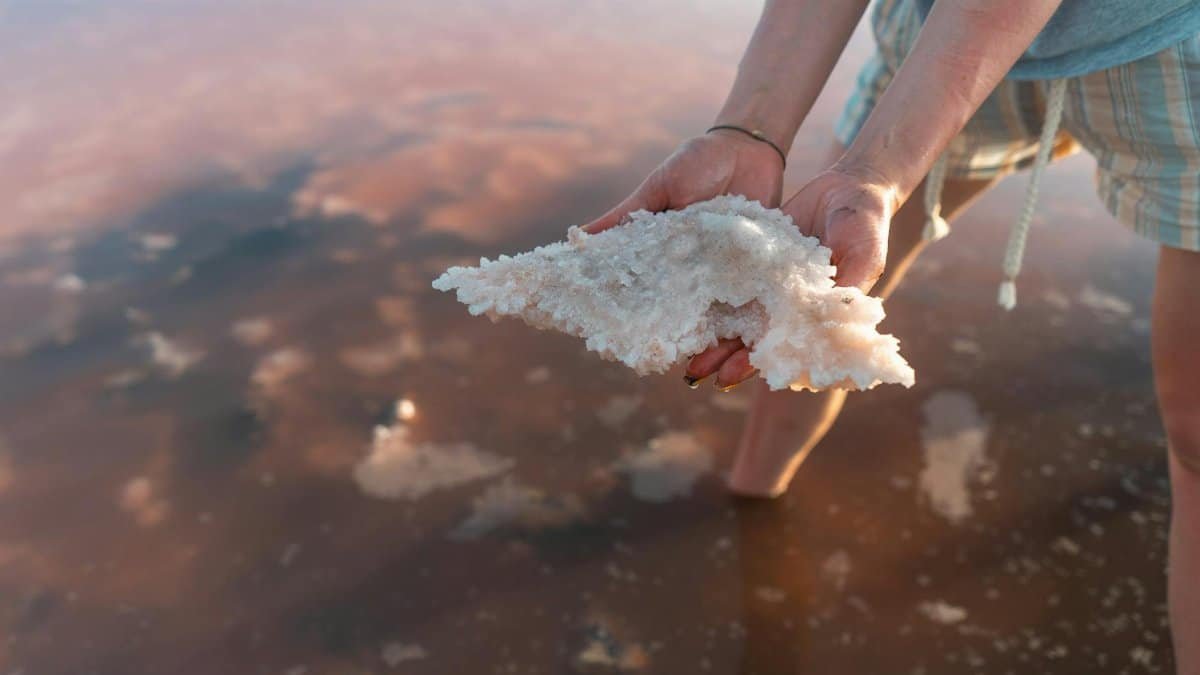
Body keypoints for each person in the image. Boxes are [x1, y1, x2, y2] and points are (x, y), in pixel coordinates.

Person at [582, 0, 1200, 670]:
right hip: (934, 41)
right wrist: (748, 128)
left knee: (1195, 431)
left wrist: (877, 169)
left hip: (1169, 41)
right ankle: (751, 503)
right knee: (797, 304)